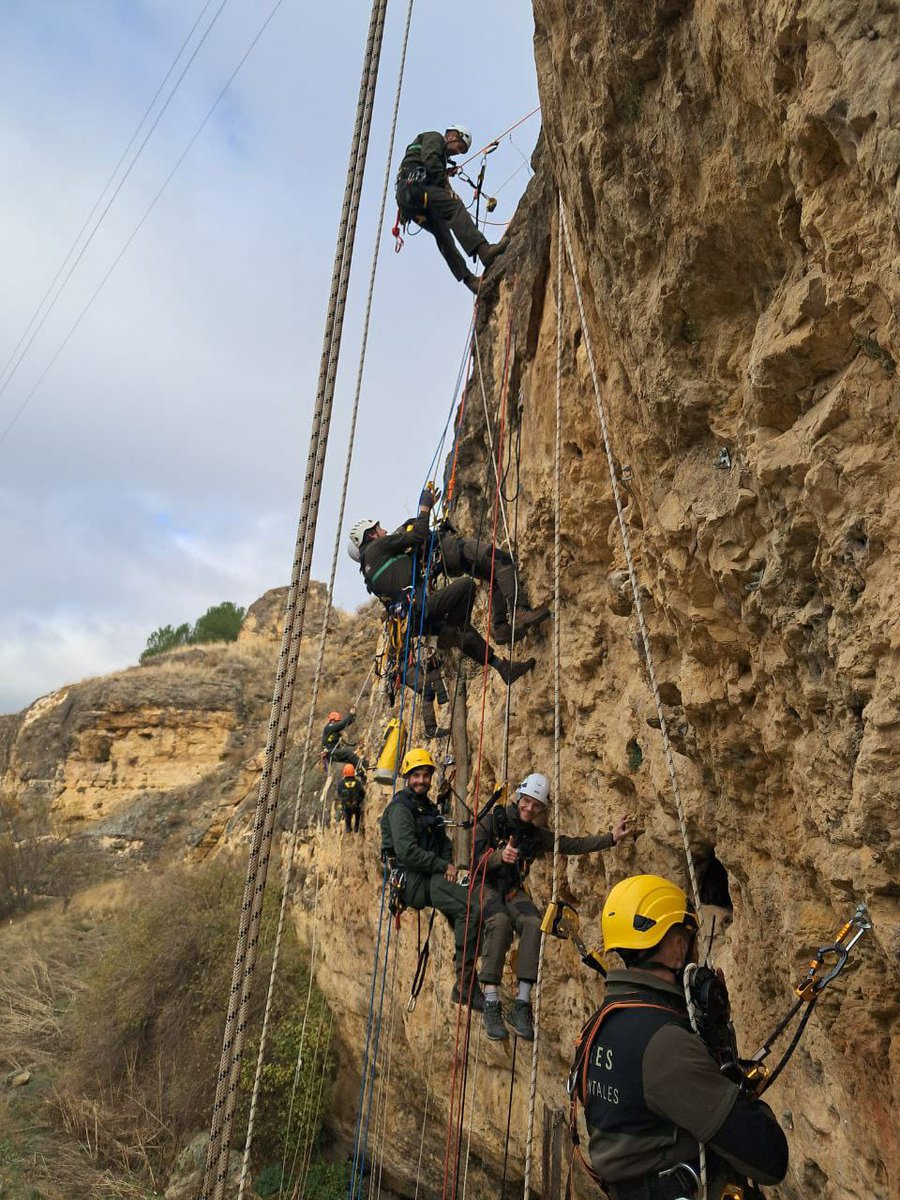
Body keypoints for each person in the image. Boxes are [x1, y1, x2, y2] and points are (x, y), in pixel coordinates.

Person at [572, 874, 789, 1199]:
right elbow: (768, 1156)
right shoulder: (664, 1043)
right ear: (676, 946)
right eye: (690, 936)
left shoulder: (600, 1025)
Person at [473, 773, 633, 1042]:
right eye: (526, 801)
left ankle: (522, 1004)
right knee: (499, 923)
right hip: (484, 888)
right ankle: (491, 1002)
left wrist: (611, 838)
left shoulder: (534, 836)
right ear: (519, 798)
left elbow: (571, 845)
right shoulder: (495, 819)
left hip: (512, 891)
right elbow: (473, 858)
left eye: (536, 805)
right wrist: (500, 856)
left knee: (535, 924)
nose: (529, 808)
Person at [349, 485, 545, 687]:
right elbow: (418, 535)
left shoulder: (370, 573)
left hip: (414, 623)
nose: (385, 531)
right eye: (380, 529)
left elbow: (401, 576)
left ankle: (502, 667)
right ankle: (514, 613)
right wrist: (425, 507)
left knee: (461, 634)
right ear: (371, 534)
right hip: (419, 608)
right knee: (466, 586)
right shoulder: (377, 547)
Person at [380, 747, 484, 1009]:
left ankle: (469, 957)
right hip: (413, 881)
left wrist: (448, 862)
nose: (422, 781)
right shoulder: (400, 809)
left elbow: (443, 839)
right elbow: (407, 852)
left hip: (429, 874)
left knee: (470, 900)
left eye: (426, 775)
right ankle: (465, 984)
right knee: (469, 907)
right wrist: (442, 867)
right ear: (406, 776)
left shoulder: (428, 806)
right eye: (416, 775)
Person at [395, 124, 507, 294]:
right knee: (454, 206)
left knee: (443, 234)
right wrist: (447, 188)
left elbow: (430, 165)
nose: (457, 153)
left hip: (410, 199)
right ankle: (484, 251)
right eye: (459, 147)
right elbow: (431, 162)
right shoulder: (435, 137)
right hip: (415, 188)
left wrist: (444, 173)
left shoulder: (438, 153)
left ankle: (470, 281)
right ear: (453, 136)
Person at [336, 764, 365, 834]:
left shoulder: (341, 783)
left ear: (344, 772)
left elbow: (339, 794)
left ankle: (348, 827)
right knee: (358, 814)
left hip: (347, 806)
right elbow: (362, 792)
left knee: (347, 815)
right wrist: (360, 799)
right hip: (356, 805)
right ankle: (356, 827)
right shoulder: (358, 782)